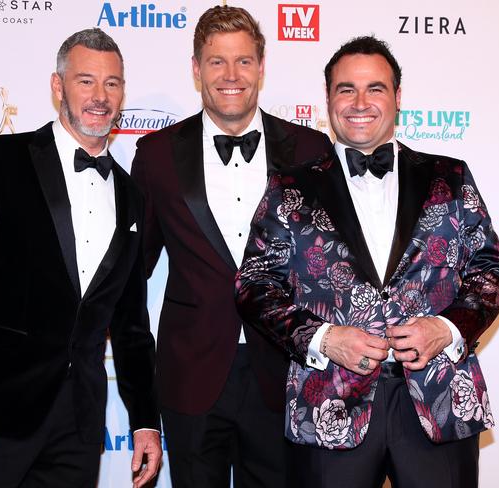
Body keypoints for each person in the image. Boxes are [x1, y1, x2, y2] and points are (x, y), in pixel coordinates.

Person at [235, 35, 499, 487]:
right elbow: (254, 284)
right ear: (328, 99)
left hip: (438, 399)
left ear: (398, 97)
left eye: (375, 88)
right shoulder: (290, 187)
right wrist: (323, 338)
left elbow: (492, 271)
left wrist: (445, 328)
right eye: (346, 89)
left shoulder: (450, 176)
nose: (360, 102)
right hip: (329, 404)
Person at [0, 28, 161, 488]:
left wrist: (145, 420)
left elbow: (131, 327)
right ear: (58, 87)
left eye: (112, 83)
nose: (100, 96)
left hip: (77, 425)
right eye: (86, 81)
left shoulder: (132, 196)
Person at [131, 5, 332, 488]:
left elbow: (331, 269)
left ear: (261, 69)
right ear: (196, 69)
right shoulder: (157, 154)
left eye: (243, 61)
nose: (231, 75)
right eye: (216, 61)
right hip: (192, 373)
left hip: (286, 370)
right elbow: (131, 271)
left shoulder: (310, 150)